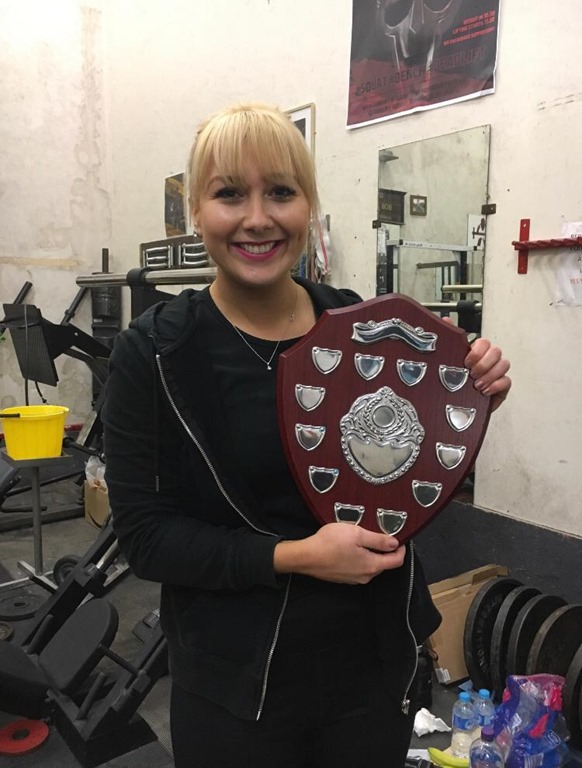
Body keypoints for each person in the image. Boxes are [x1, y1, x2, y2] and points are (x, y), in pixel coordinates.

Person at [102, 102, 511, 768]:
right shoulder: (155, 353)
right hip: (236, 685)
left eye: (280, 192)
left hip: (372, 666)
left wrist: (472, 391)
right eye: (229, 194)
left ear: (308, 207)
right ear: (196, 212)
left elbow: (414, 463)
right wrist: (294, 556)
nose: (258, 217)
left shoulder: (365, 327)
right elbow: (146, 538)